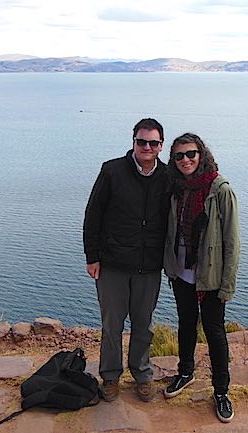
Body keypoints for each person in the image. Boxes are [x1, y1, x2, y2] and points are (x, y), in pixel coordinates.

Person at [83, 118, 169, 403]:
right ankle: (109, 376)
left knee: (144, 325)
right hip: (113, 265)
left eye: (153, 143)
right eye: (141, 141)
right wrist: (92, 257)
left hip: (149, 266)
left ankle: (142, 374)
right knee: (112, 326)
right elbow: (92, 215)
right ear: (133, 142)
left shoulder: (168, 177)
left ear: (160, 146)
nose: (147, 147)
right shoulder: (112, 171)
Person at [163, 133, 240, 422]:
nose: (186, 160)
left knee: (214, 331)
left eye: (191, 153)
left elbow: (232, 242)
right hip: (182, 272)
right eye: (179, 155)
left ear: (202, 154)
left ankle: (221, 391)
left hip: (211, 277)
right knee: (185, 323)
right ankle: (186, 372)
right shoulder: (175, 188)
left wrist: (227, 284)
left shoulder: (220, 190)